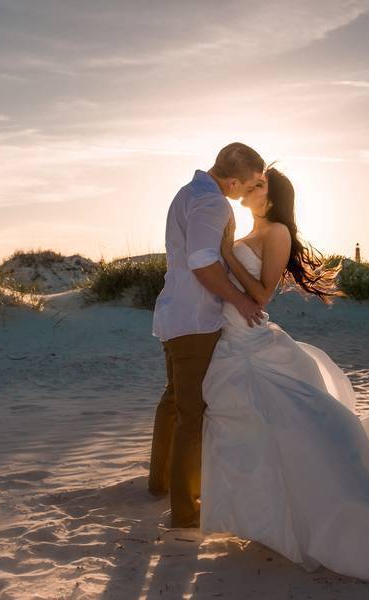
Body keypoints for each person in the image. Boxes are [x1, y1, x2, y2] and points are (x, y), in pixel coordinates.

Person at [199, 166, 369, 586]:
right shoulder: (249, 229)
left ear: (273, 197)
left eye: (259, 185)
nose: (250, 189)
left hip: (250, 338)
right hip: (233, 337)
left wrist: (226, 256)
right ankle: (264, 519)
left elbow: (261, 296)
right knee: (253, 430)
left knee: (290, 432)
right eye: (252, 182)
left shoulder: (277, 232)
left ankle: (329, 519)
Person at [148, 142, 267, 528]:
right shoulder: (214, 202)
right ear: (232, 180)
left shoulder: (188, 192)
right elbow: (202, 262)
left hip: (173, 314)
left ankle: (160, 482)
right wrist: (240, 301)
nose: (244, 193)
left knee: (172, 401)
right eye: (246, 185)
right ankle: (185, 510)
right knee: (191, 414)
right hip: (195, 320)